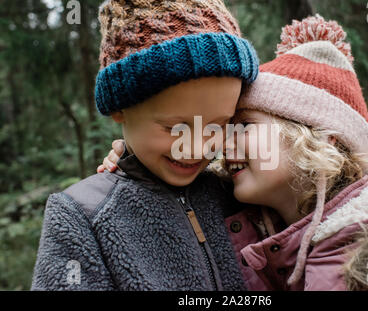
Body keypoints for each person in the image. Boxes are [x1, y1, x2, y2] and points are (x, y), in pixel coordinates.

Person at [100, 15, 368, 291]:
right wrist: (136, 164)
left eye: (245, 125)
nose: (222, 142)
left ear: (319, 140)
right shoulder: (271, 226)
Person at [31, 0, 259, 290]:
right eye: (176, 128)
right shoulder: (82, 216)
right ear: (120, 108)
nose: (198, 148)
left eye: (218, 125)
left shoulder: (239, 189)